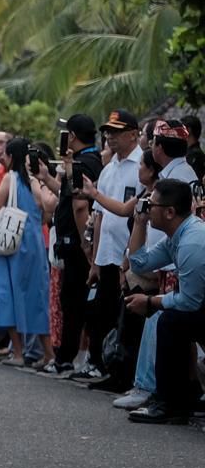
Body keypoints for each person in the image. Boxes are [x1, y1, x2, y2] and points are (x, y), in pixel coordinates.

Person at [124, 178, 205, 424]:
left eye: (151, 204)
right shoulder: (177, 235)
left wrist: (150, 303)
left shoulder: (192, 241)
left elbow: (189, 302)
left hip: (197, 304)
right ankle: (181, 398)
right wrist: (139, 222)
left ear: (170, 212)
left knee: (171, 321)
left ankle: (169, 402)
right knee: (173, 320)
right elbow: (139, 263)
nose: (147, 208)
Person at [0, 139, 54, 367]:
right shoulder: (33, 181)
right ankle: (49, 353)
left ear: (10, 156)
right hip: (34, 242)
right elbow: (47, 209)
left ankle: (19, 353)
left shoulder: (10, 178)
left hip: (10, 242)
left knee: (8, 294)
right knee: (36, 296)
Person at [84, 109, 144, 391]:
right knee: (105, 314)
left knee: (128, 318)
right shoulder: (109, 169)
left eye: (117, 132)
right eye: (108, 132)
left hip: (129, 254)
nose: (111, 137)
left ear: (134, 133)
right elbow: (98, 216)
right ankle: (111, 370)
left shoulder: (142, 167)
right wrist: (95, 259)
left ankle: (127, 375)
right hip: (107, 252)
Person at [45, 114, 105, 377]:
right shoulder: (92, 161)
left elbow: (80, 205)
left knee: (73, 303)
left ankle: (67, 358)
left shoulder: (84, 163)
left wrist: (84, 243)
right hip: (84, 243)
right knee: (80, 302)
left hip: (79, 244)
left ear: (72, 136)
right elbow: (66, 192)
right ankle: (76, 358)